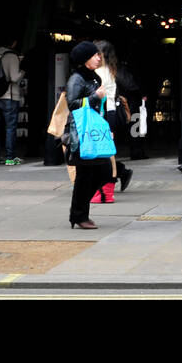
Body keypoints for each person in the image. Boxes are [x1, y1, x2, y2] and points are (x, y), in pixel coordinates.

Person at [64, 41, 112, 230]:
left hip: (95, 132)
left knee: (104, 172)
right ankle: (79, 215)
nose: (99, 58)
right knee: (86, 175)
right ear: (85, 59)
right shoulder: (76, 79)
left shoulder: (94, 78)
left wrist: (107, 128)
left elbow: (100, 107)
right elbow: (72, 105)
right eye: (95, 55)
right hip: (81, 134)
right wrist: (94, 98)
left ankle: (79, 213)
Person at [93, 40, 133, 198]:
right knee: (104, 151)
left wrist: (109, 127)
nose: (94, 55)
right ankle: (118, 173)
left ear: (103, 54)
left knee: (102, 151)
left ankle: (112, 178)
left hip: (106, 114)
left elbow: (105, 100)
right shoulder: (108, 70)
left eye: (97, 53)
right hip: (108, 114)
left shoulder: (102, 72)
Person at [0, 38, 24, 166]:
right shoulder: (12, 56)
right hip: (9, 96)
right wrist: (22, 71)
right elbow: (14, 77)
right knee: (10, 127)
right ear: (13, 42)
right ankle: (10, 157)